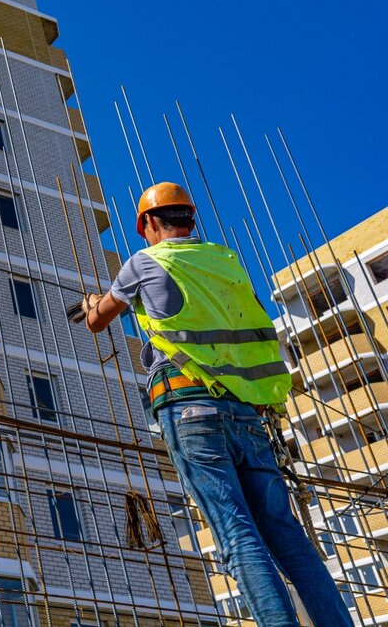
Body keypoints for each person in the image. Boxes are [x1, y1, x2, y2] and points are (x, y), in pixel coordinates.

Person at [79, 182, 353, 627]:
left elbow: (98, 320)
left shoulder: (146, 261)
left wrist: (93, 301)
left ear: (148, 223)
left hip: (188, 405)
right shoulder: (227, 264)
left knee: (237, 534)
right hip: (248, 412)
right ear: (190, 220)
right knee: (288, 537)